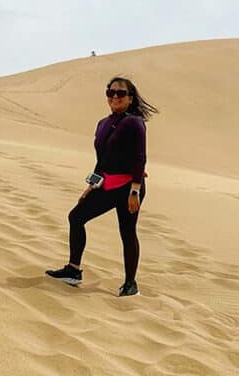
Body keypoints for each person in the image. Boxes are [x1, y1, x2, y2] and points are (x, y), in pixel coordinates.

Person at [46, 76, 158, 297]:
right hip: (108, 184)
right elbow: (102, 158)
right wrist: (92, 185)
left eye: (120, 93)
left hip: (129, 188)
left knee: (127, 232)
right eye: (111, 92)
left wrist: (135, 190)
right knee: (76, 217)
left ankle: (130, 284)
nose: (115, 97)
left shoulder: (135, 122)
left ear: (130, 98)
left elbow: (139, 158)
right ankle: (73, 270)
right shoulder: (103, 123)